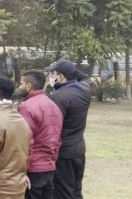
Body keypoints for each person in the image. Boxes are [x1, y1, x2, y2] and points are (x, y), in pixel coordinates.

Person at [45, 60, 91, 199]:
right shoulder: (84, 89)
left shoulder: (58, 98)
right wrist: (69, 68)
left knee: (63, 193)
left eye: (53, 73)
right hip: (78, 150)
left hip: (63, 153)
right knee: (76, 191)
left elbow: (52, 129)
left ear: (61, 76)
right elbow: (84, 77)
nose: (50, 77)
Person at [17, 70, 63, 199]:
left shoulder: (26, 107)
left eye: (21, 83)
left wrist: (22, 170)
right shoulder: (54, 106)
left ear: (29, 86)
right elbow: (57, 139)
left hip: (33, 170)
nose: (19, 87)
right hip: (49, 168)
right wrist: (51, 161)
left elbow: (25, 142)